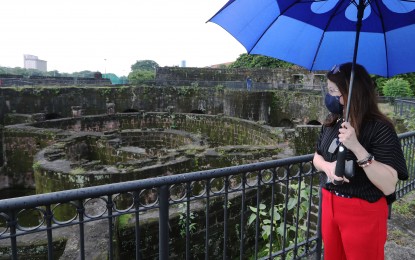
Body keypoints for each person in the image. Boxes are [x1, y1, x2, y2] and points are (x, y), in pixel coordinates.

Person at [313, 62, 408, 260]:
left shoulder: (380, 128)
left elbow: (389, 184)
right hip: (329, 204)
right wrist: (328, 167)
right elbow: (316, 156)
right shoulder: (333, 121)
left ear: (351, 93)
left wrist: (357, 147)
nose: (329, 96)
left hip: (362, 210)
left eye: (333, 91)